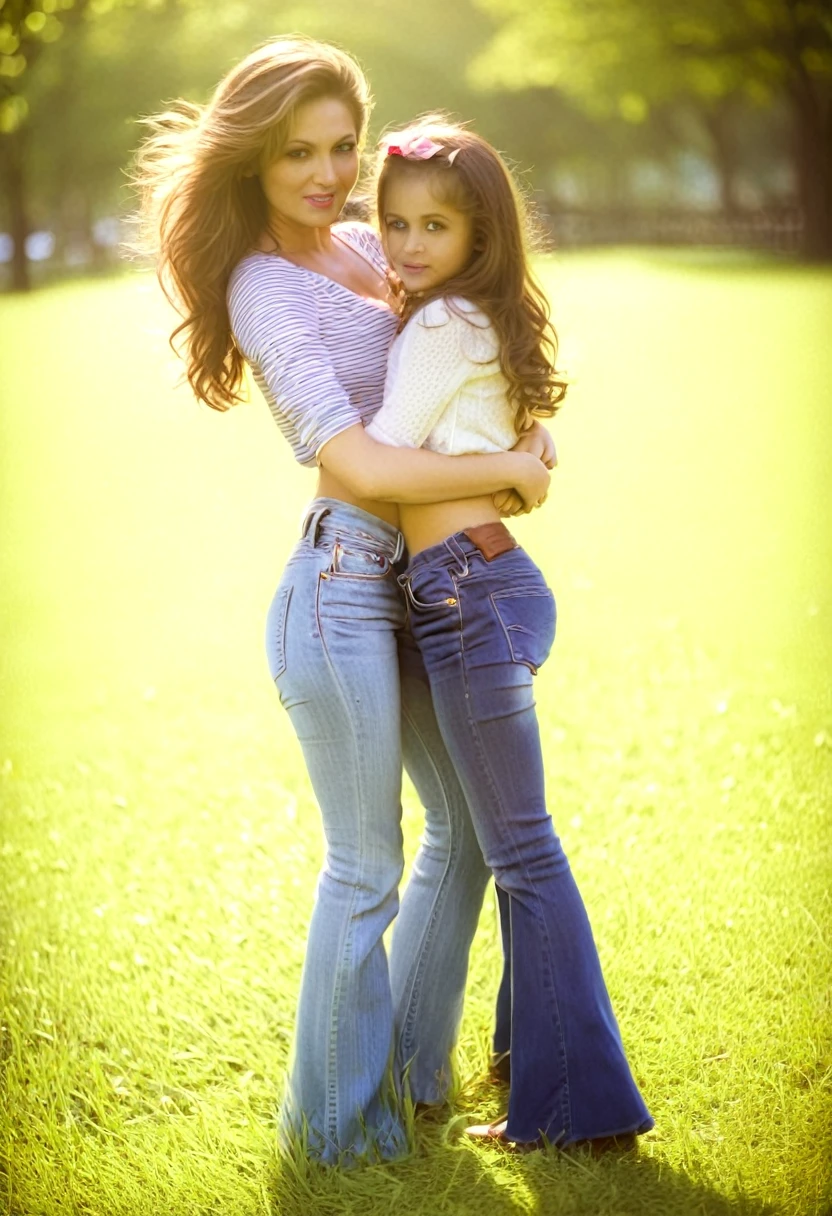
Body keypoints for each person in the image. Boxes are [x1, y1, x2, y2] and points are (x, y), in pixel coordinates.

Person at [134, 37, 553, 1165]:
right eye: (295, 155)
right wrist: (508, 475)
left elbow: (473, 363)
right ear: (252, 165)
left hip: (431, 592)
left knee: (464, 829)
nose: (325, 174)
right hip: (339, 595)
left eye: (340, 148)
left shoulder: (381, 247)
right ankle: (331, 1133)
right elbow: (356, 463)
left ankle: (411, 1077)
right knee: (365, 861)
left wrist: (524, 437)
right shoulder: (262, 285)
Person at [365, 118, 654, 1151]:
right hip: (479, 582)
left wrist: (508, 472)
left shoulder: (442, 326)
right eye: (393, 223)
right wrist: (512, 470)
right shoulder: (465, 317)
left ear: (479, 231)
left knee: (523, 851)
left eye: (433, 225)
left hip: (463, 593)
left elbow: (382, 455)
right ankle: (534, 1071)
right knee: (503, 844)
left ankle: (577, 1106)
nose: (405, 246)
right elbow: (513, 446)